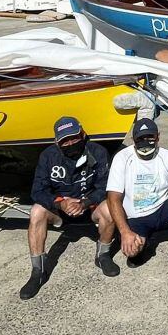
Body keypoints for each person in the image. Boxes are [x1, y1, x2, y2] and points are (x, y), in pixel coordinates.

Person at [19, 116, 119, 301]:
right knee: (36, 211)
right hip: (61, 209)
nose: (71, 143)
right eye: (65, 140)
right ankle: (37, 270)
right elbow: (37, 191)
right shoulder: (48, 156)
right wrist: (61, 203)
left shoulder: (98, 152)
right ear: (57, 142)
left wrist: (84, 203)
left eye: (74, 137)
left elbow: (105, 186)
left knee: (109, 208)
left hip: (89, 207)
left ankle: (103, 255)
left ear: (83, 134)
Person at [106, 117, 168, 278]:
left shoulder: (166, 156)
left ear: (158, 136)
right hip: (136, 217)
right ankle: (146, 239)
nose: (145, 141)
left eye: (150, 137)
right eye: (140, 139)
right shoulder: (122, 158)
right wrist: (124, 232)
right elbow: (113, 198)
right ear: (133, 139)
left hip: (162, 209)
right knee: (132, 253)